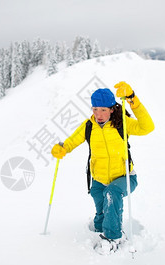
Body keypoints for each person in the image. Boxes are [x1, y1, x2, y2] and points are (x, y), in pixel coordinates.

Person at [51, 81, 154, 253]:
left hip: (125, 177)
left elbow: (147, 127)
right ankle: (101, 223)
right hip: (99, 178)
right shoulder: (89, 126)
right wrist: (62, 148)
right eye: (95, 109)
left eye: (103, 110)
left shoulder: (123, 124)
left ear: (112, 109)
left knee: (112, 194)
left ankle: (113, 237)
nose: (98, 114)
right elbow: (71, 142)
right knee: (100, 203)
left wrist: (132, 98)